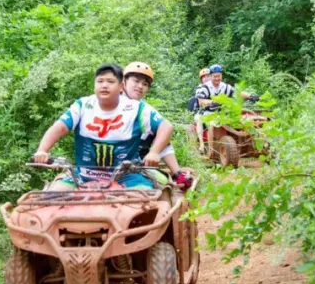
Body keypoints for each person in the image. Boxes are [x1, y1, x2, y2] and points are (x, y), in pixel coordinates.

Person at [33, 63, 173, 189]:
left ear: (121, 86)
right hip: (82, 176)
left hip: (127, 176)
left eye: (110, 81)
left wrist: (154, 152)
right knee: (51, 198)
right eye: (100, 81)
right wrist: (42, 150)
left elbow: (166, 127)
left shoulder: (138, 108)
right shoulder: (82, 105)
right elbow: (60, 127)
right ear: (94, 85)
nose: (104, 85)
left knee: (145, 204)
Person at [121, 61, 193, 191]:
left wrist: (154, 153)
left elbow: (166, 130)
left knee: (164, 184)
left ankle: (176, 175)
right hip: (102, 167)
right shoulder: (107, 103)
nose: (140, 86)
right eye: (136, 81)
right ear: (123, 82)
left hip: (135, 167)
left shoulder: (145, 110)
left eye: (145, 84)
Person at [194, 64, 259, 153]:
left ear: (222, 76)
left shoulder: (225, 86)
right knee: (209, 123)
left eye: (219, 76)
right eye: (215, 76)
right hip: (208, 112)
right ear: (211, 76)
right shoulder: (205, 87)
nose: (217, 78)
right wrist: (212, 102)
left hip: (223, 112)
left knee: (239, 119)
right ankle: (206, 148)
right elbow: (201, 100)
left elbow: (237, 92)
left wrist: (250, 96)